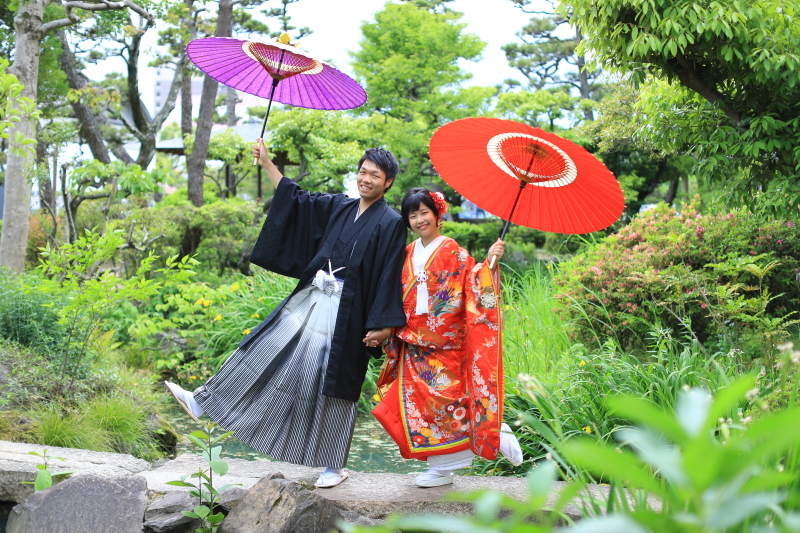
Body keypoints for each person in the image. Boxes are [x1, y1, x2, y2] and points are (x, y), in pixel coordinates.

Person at [166, 139, 407, 488]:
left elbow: (388, 272)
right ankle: (205, 401)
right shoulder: (341, 206)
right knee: (263, 348)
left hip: (349, 312)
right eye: (362, 172)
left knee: (334, 386)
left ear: (388, 183)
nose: (365, 179)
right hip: (313, 296)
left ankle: (333, 465)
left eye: (375, 175)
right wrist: (266, 163)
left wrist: (383, 325)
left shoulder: (391, 222)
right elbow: (298, 200)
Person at [372, 187, 523, 487]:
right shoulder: (406, 253)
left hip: (445, 345)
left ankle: (487, 437)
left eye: (424, 212)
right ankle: (446, 464)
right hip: (412, 343)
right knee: (419, 408)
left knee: (446, 405)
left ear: (437, 214)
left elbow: (474, 283)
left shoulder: (453, 251)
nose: (418, 219)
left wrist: (489, 265)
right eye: (412, 215)